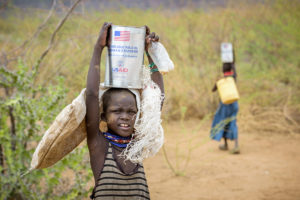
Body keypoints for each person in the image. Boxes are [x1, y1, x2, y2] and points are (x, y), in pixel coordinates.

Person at [86, 22, 164, 199]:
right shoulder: (98, 144)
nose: (125, 117)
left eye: (131, 112)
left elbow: (157, 96)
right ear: (104, 116)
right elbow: (91, 94)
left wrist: (149, 53)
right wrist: (98, 48)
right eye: (117, 111)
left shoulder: (136, 144)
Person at [210, 58, 240, 154]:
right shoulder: (233, 78)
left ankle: (226, 144)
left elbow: (213, 90)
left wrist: (218, 82)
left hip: (224, 106)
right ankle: (236, 146)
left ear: (223, 70)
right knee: (233, 123)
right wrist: (232, 61)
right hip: (234, 104)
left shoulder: (221, 80)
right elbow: (234, 70)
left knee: (222, 123)